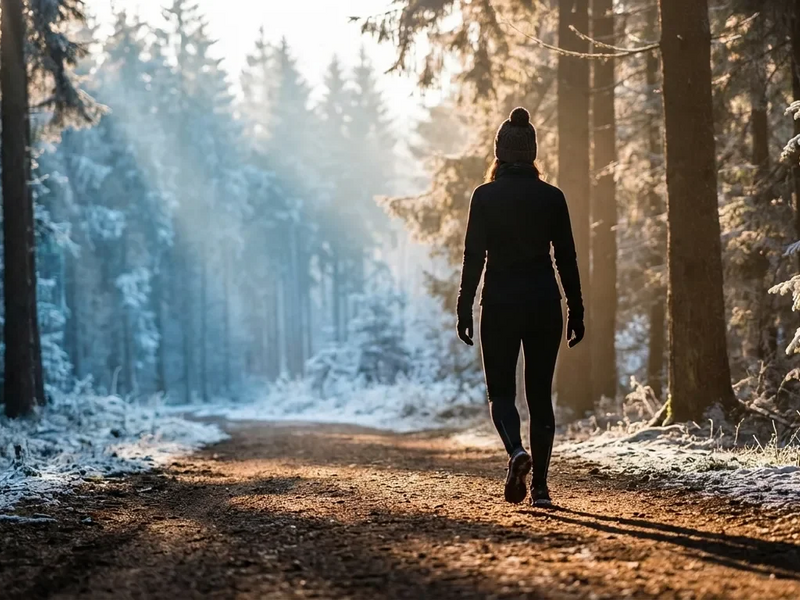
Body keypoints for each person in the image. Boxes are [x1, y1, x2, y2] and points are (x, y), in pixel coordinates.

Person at [456, 106, 585, 508]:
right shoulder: (552, 198)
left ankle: (515, 452)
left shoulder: (484, 196)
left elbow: (473, 256)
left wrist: (464, 306)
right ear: (532, 154)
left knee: (501, 392)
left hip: (500, 304)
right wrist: (576, 308)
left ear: (499, 153)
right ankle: (541, 488)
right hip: (544, 303)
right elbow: (566, 257)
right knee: (540, 396)